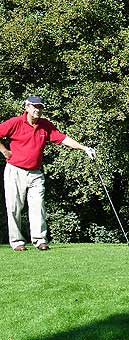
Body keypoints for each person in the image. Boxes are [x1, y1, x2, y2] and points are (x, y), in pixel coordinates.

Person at [0, 96, 96, 251]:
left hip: (35, 173)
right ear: (27, 107)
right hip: (15, 171)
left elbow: (63, 139)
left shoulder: (45, 125)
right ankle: (17, 242)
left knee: (38, 206)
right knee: (14, 208)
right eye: (34, 106)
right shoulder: (16, 122)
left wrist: (84, 148)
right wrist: (4, 151)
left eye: (40, 107)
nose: (37, 110)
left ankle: (40, 240)